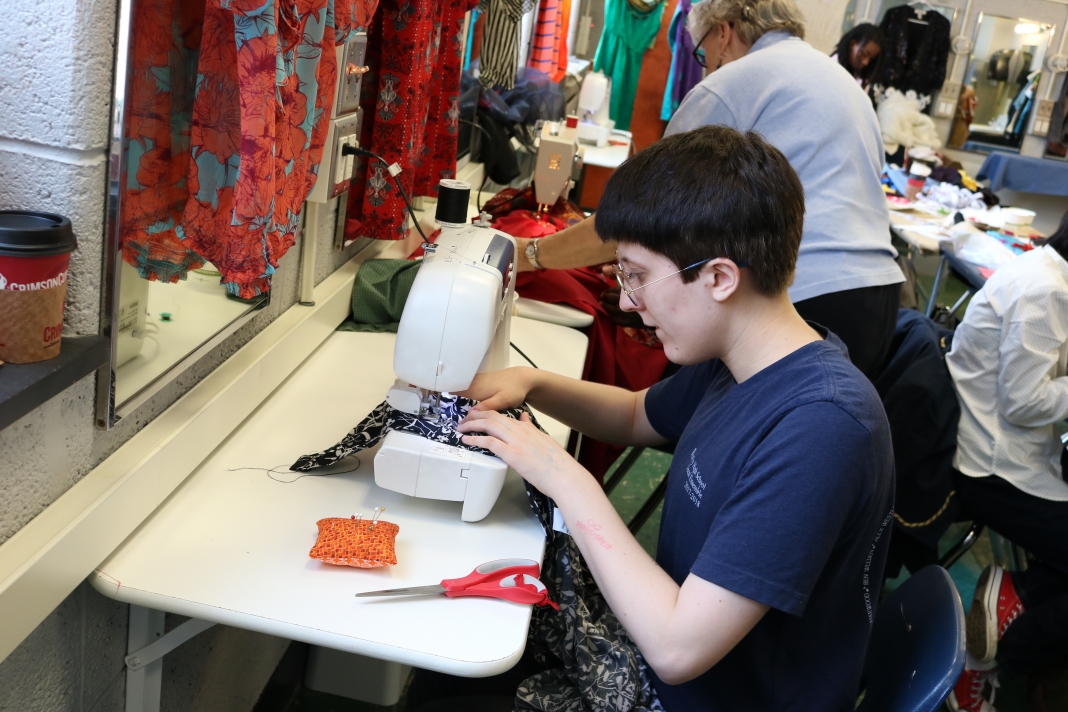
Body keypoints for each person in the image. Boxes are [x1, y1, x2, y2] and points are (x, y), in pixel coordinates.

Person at [443, 127, 894, 710]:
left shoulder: (821, 428)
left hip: (696, 691)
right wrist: (533, 383)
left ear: (719, 278)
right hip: (667, 659)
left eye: (634, 274)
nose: (627, 300)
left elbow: (677, 649)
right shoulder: (739, 360)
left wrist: (560, 471)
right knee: (461, 657)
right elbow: (635, 415)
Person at [513, 0, 904, 380]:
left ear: (723, 31)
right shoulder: (842, 83)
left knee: (714, 430)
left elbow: (635, 216)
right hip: (881, 298)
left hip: (806, 300)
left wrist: (531, 254)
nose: (706, 69)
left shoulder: (733, 83)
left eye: (703, 55)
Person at [946, 212, 1068, 711]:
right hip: (991, 467)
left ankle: (1011, 599)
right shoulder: (1047, 292)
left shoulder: (1047, 273)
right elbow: (1024, 401)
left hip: (1002, 452)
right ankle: (991, 659)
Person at [831, 23, 884, 93]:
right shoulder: (832, 68)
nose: (866, 62)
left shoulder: (862, 79)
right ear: (852, 44)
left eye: (871, 59)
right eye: (864, 54)